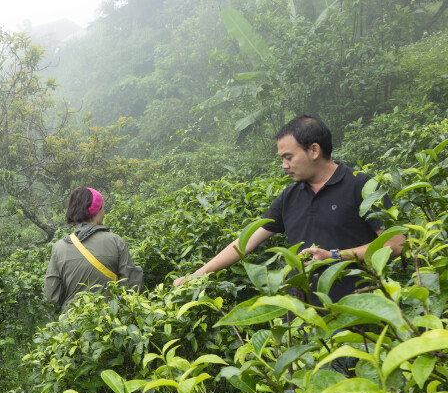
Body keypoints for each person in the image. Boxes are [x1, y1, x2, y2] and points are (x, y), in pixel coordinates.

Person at [173, 115, 405, 298]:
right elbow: (244, 243)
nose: (284, 166)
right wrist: (196, 276)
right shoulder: (290, 196)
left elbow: (395, 244)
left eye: (288, 157)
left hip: (356, 317)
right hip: (301, 320)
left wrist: (334, 256)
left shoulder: (361, 184)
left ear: (314, 150)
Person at [45, 187, 143, 312]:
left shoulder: (58, 247)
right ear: (96, 210)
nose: (104, 212)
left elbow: (52, 293)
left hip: (71, 325)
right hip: (110, 324)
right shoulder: (116, 241)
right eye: (103, 208)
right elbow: (132, 286)